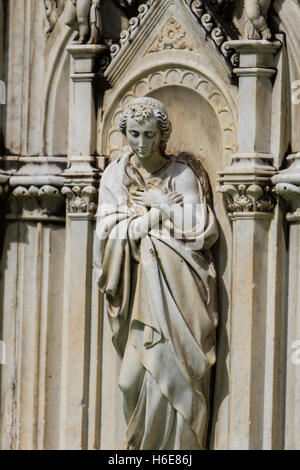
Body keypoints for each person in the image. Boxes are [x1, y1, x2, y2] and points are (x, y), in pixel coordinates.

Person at [94, 97, 219, 450]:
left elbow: (200, 228)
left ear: (161, 134)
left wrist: (162, 205)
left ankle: (180, 453)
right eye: (134, 133)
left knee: (174, 377)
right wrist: (155, 216)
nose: (141, 143)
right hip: (137, 296)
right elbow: (110, 232)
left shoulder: (181, 174)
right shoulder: (116, 175)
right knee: (128, 384)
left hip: (180, 297)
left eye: (149, 134)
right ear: (125, 133)